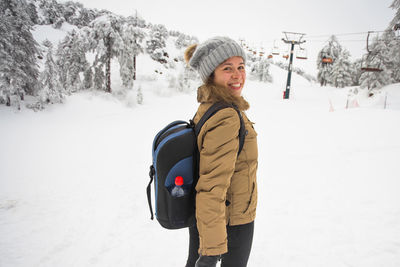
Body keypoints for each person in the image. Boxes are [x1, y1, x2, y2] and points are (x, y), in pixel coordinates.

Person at [183, 37, 259, 267]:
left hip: (210, 220)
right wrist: (210, 252)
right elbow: (211, 185)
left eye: (240, 67)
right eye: (227, 68)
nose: (237, 75)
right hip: (230, 223)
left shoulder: (211, 106)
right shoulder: (226, 116)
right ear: (211, 75)